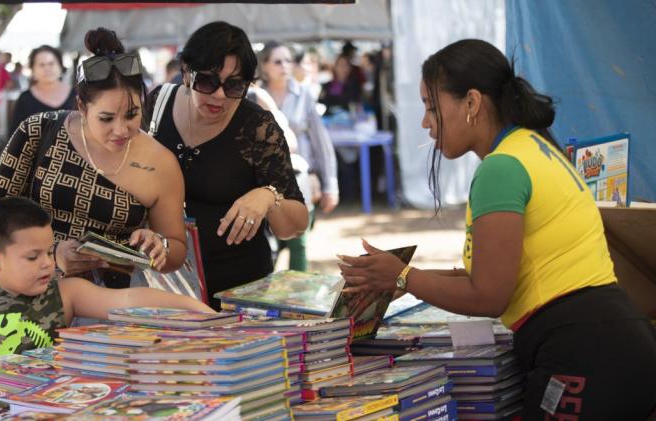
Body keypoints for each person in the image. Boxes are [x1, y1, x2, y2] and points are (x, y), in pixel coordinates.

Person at [338, 39, 656, 419]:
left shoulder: (501, 168)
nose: (425, 122)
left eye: (430, 107)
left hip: (586, 351)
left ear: (471, 103)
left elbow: (489, 296)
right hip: (611, 341)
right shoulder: (532, 146)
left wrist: (403, 278)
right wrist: (391, 275)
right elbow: (487, 273)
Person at [0, 197, 213, 415]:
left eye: (49, 252)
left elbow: (129, 300)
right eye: (32, 256)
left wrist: (194, 308)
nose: (46, 263)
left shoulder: (66, 293)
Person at [0, 28, 187, 286]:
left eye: (132, 114)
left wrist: (159, 246)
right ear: (81, 106)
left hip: (109, 304)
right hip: (27, 292)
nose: (121, 129)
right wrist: (50, 254)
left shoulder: (161, 163)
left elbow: (177, 249)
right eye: (106, 118)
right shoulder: (38, 131)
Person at [143, 21, 309, 310]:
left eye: (235, 86)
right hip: (166, 284)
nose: (219, 95)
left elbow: (294, 226)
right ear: (185, 72)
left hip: (240, 290)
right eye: (207, 81)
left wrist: (269, 196)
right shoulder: (158, 103)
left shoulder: (257, 126)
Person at [258, 41, 339, 271]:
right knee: (267, 246)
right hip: (264, 180)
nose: (284, 66)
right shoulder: (254, 94)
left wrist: (329, 184)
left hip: (300, 176)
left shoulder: (303, 93)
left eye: (288, 61)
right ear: (264, 66)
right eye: (277, 61)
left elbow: (320, 141)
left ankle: (299, 302)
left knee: (298, 242)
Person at [8, 45, 76, 139]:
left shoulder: (77, 95)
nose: (47, 69)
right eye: (41, 65)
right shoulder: (25, 99)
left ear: (60, 66)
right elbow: (15, 136)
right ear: (33, 70)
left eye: (51, 64)